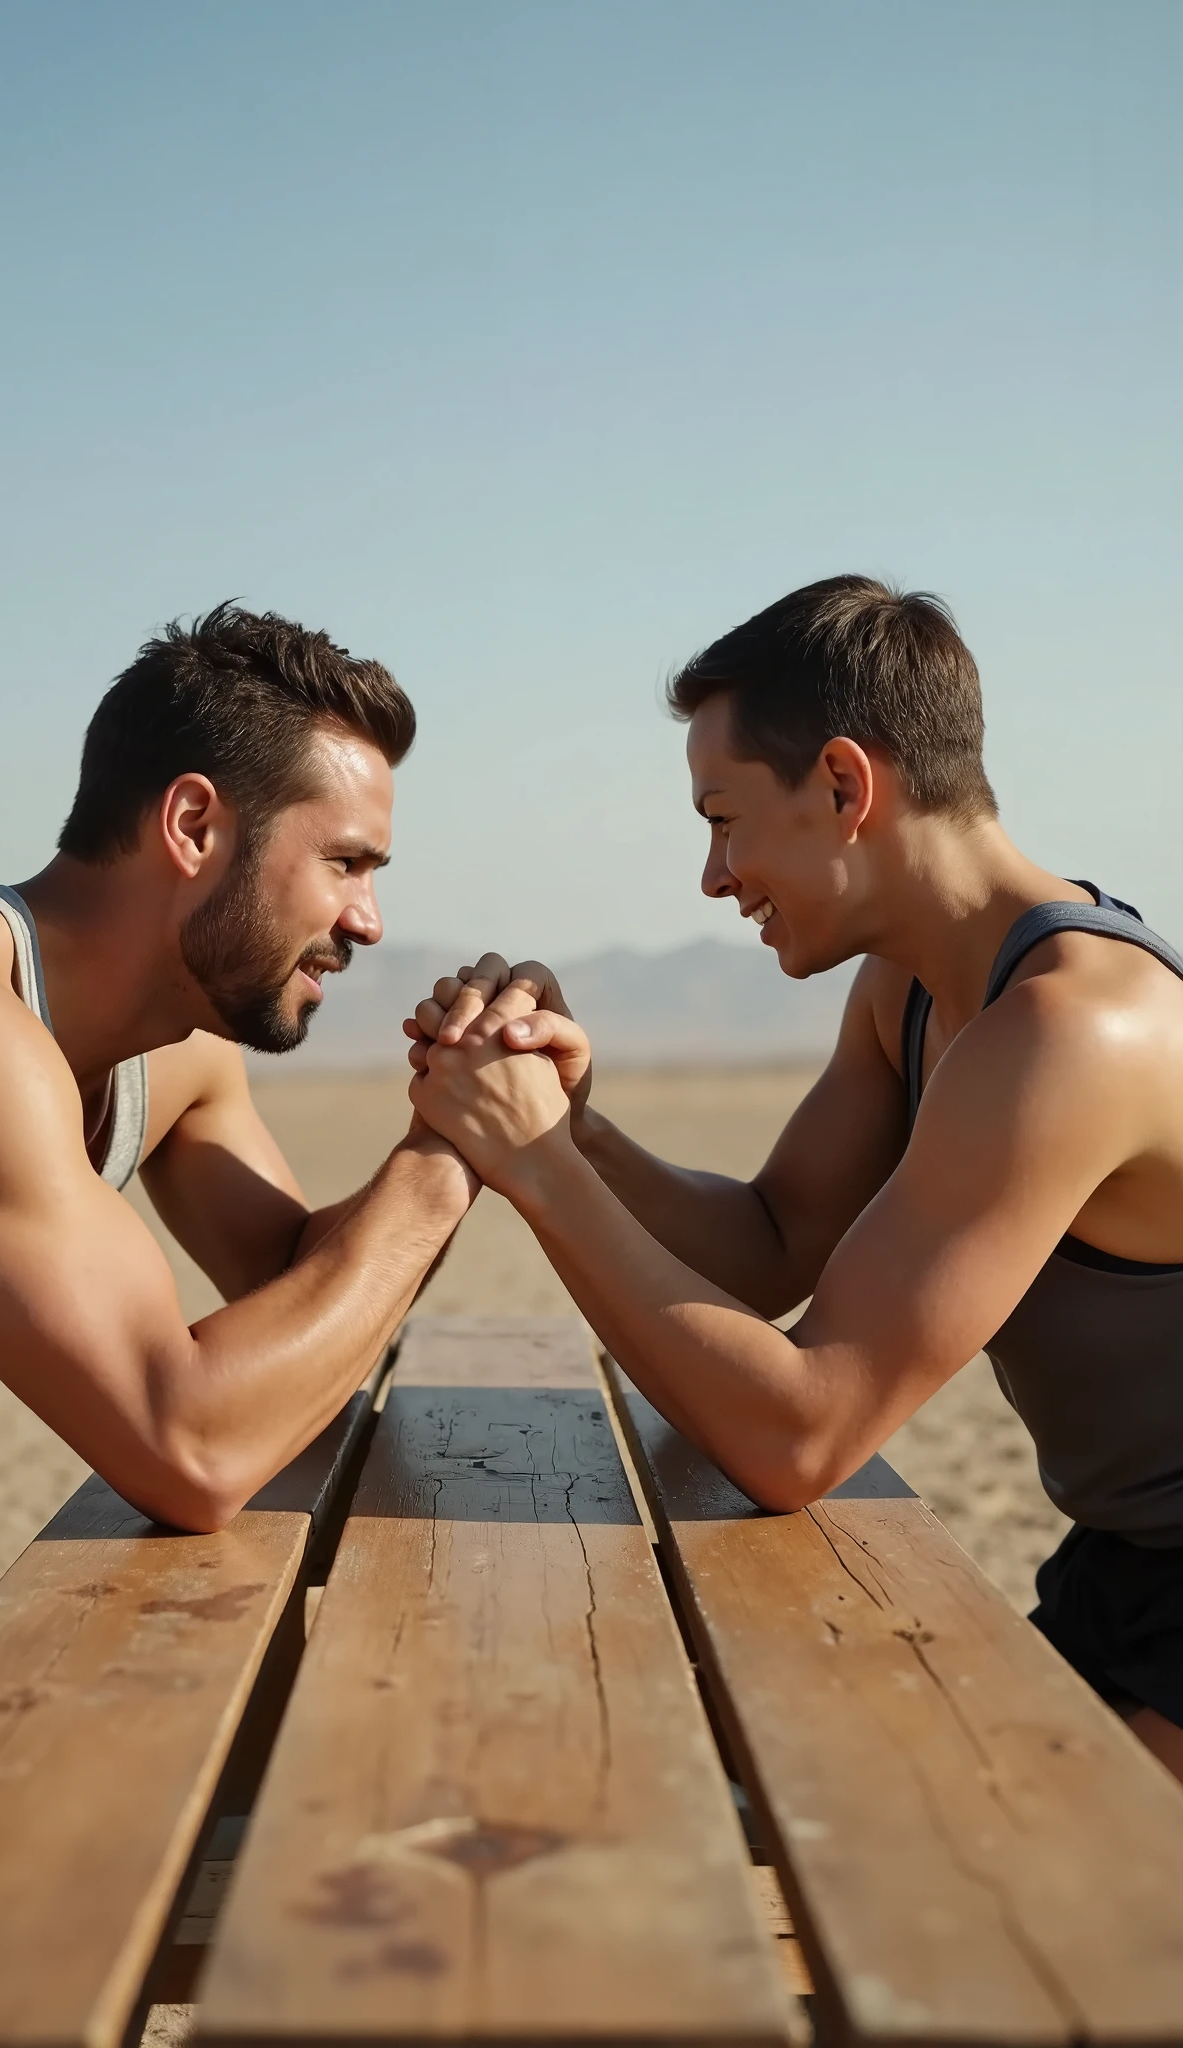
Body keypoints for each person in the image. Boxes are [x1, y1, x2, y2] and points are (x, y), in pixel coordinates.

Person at [404, 575, 1183, 1783]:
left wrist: (535, 1165)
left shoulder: (1076, 1029)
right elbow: (771, 1242)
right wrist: (576, 1128)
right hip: (1124, 1565)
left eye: (721, 817)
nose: (712, 876)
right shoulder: (913, 985)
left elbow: (799, 1431)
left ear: (841, 783)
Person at [0, 603, 476, 1782]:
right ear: (192, 823)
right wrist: (447, 1160)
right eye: (345, 863)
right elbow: (190, 1443)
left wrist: (473, 1114)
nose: (366, 920)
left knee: (107, 1769)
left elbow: (301, 1303)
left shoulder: (177, 1049)